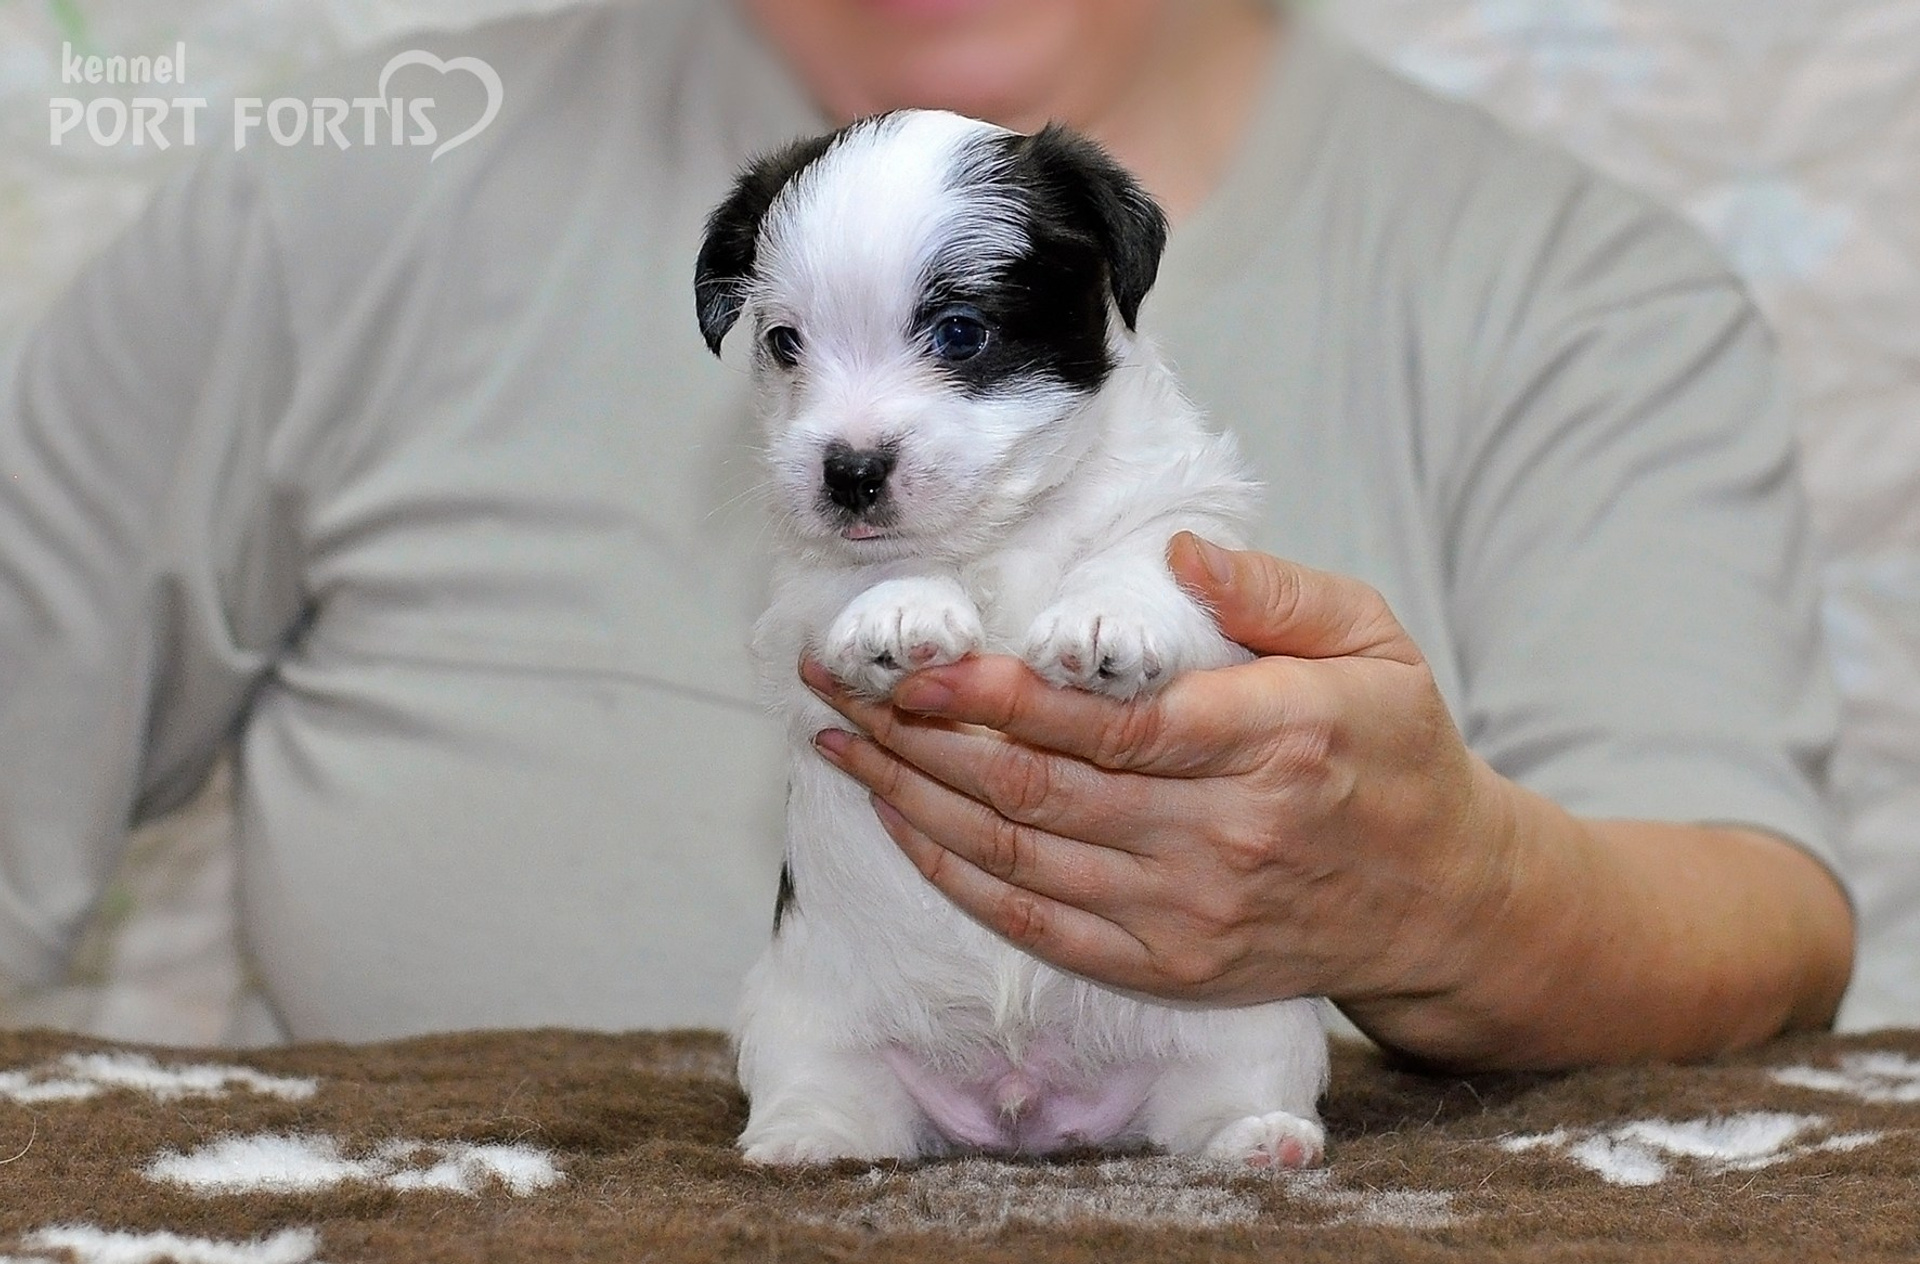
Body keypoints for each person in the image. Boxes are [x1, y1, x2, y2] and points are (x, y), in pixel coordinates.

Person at [0, 0, 1853, 1066]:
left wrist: (1458, 893)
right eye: (795, 354)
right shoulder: (326, 206)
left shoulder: (1574, 290)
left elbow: (1764, 926)